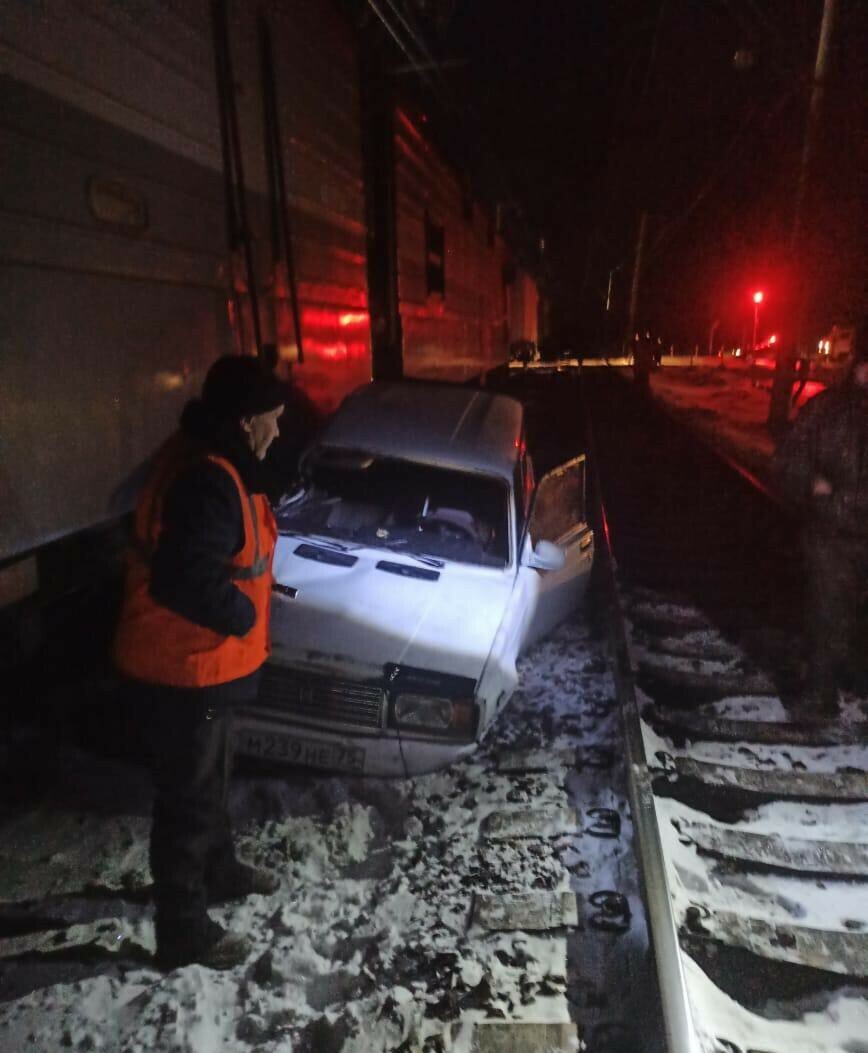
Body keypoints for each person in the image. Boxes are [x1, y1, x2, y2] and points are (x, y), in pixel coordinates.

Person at [114, 354, 286, 970]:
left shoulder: (216, 463)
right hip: (187, 670)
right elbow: (182, 580)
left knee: (209, 782)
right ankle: (183, 928)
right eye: (273, 418)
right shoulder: (209, 480)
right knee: (187, 800)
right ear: (245, 422)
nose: (278, 431)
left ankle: (218, 868)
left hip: (206, 667)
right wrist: (243, 616)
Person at [772, 318, 868, 716]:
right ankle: (820, 695)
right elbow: (786, 463)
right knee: (827, 610)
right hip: (832, 535)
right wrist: (812, 485)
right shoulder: (827, 410)